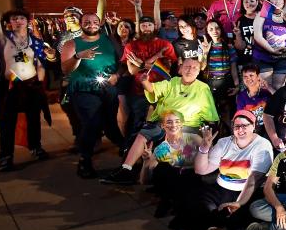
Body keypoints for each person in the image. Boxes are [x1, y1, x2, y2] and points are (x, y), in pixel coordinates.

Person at [102, 58, 218, 185]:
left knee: (174, 148)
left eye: (194, 68)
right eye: (187, 66)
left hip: (187, 125)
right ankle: (126, 169)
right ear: (180, 69)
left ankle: (163, 179)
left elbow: (211, 116)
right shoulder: (172, 82)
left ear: (198, 72)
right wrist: (145, 81)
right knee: (143, 134)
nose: (190, 70)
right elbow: (153, 89)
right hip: (164, 121)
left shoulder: (203, 88)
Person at [178, 110, 274, 230]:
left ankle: (214, 226)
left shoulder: (262, 145)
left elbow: (253, 180)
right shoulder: (224, 142)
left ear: (253, 126)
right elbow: (201, 170)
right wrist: (204, 149)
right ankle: (216, 227)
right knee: (194, 200)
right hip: (222, 186)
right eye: (237, 126)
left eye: (245, 126)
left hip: (246, 191)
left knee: (245, 210)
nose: (240, 129)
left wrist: (239, 203)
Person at [0, 0, 50, 171]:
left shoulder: (36, 42)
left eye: (22, 18)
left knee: (34, 119)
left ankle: (36, 146)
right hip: (12, 86)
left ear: (28, 21)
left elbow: (40, 64)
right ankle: (6, 156)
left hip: (32, 84)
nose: (18, 21)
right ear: (10, 23)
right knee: (7, 123)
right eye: (14, 19)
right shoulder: (5, 39)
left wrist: (39, 81)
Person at [61, 12, 124, 178]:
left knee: (110, 123)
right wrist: (78, 56)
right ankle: (85, 160)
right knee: (92, 122)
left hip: (108, 88)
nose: (91, 24)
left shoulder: (110, 40)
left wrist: (117, 75)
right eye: (87, 22)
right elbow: (66, 69)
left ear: (100, 23)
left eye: (95, 21)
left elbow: (122, 62)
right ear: (81, 24)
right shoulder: (72, 43)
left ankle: (126, 149)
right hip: (83, 89)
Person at [120, 15, 178, 151]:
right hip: (139, 89)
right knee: (136, 121)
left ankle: (163, 149)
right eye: (143, 25)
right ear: (139, 28)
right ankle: (131, 151)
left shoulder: (165, 45)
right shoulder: (131, 46)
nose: (146, 28)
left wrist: (140, 63)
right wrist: (156, 58)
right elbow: (132, 70)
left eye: (149, 25)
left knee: (165, 120)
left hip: (161, 89)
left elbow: (167, 69)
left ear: (155, 27)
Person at [140, 110, 201, 218]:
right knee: (164, 167)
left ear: (182, 124)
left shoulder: (193, 138)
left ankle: (175, 202)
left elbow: (211, 160)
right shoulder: (160, 149)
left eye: (177, 121)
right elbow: (144, 181)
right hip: (172, 185)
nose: (173, 125)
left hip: (192, 180)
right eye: (169, 122)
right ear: (163, 125)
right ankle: (168, 200)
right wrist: (146, 161)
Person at [252, 0, 286, 91]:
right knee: (265, 87)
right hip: (264, 57)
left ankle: (276, 106)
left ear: (283, 2)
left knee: (278, 88)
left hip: (283, 57)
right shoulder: (262, 14)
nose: (276, 1)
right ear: (269, 1)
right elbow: (257, 36)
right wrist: (272, 50)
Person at [202, 19, 238, 129]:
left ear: (221, 30)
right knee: (211, 114)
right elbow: (202, 67)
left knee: (227, 112)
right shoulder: (204, 46)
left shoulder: (228, 46)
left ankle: (227, 135)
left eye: (217, 28)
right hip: (210, 82)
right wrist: (205, 52)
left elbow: (233, 67)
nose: (214, 31)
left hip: (225, 82)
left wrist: (236, 85)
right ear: (207, 31)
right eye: (211, 29)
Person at [235, 63, 271, 133]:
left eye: (251, 75)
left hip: (267, 129)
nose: (248, 78)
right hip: (250, 130)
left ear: (258, 76)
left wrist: (269, 88)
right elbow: (240, 116)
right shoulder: (241, 96)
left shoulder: (266, 92)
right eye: (245, 76)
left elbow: (281, 100)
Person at [233, 0, 260, 68]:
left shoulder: (262, 18)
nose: (249, 4)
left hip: (262, 60)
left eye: (252, 1)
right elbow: (240, 47)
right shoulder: (240, 21)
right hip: (245, 60)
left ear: (257, 2)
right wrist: (238, 35)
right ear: (243, 5)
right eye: (246, 2)